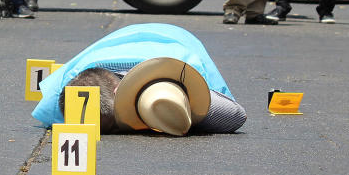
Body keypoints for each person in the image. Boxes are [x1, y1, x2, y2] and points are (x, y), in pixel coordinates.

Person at [31, 23, 246, 136]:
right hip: (122, 40)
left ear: (118, 92)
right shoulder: (62, 95)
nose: (127, 128)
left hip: (179, 40)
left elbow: (237, 116)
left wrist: (180, 111)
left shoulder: (181, 74)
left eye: (118, 124)